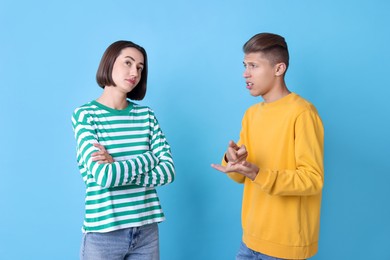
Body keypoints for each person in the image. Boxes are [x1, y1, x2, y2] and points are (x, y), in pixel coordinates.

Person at [211, 33, 324, 260]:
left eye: (253, 66)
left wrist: (259, 174)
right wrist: (233, 160)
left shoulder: (302, 113)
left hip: (285, 246)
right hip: (250, 240)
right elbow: (240, 177)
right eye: (245, 65)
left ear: (278, 69)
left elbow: (312, 179)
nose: (246, 73)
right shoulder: (251, 115)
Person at [71, 40, 175, 260]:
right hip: (103, 233)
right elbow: (104, 176)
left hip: (146, 230)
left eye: (139, 67)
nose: (134, 72)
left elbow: (168, 172)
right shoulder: (85, 115)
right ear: (109, 63)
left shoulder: (146, 116)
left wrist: (117, 165)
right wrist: (149, 158)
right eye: (127, 63)